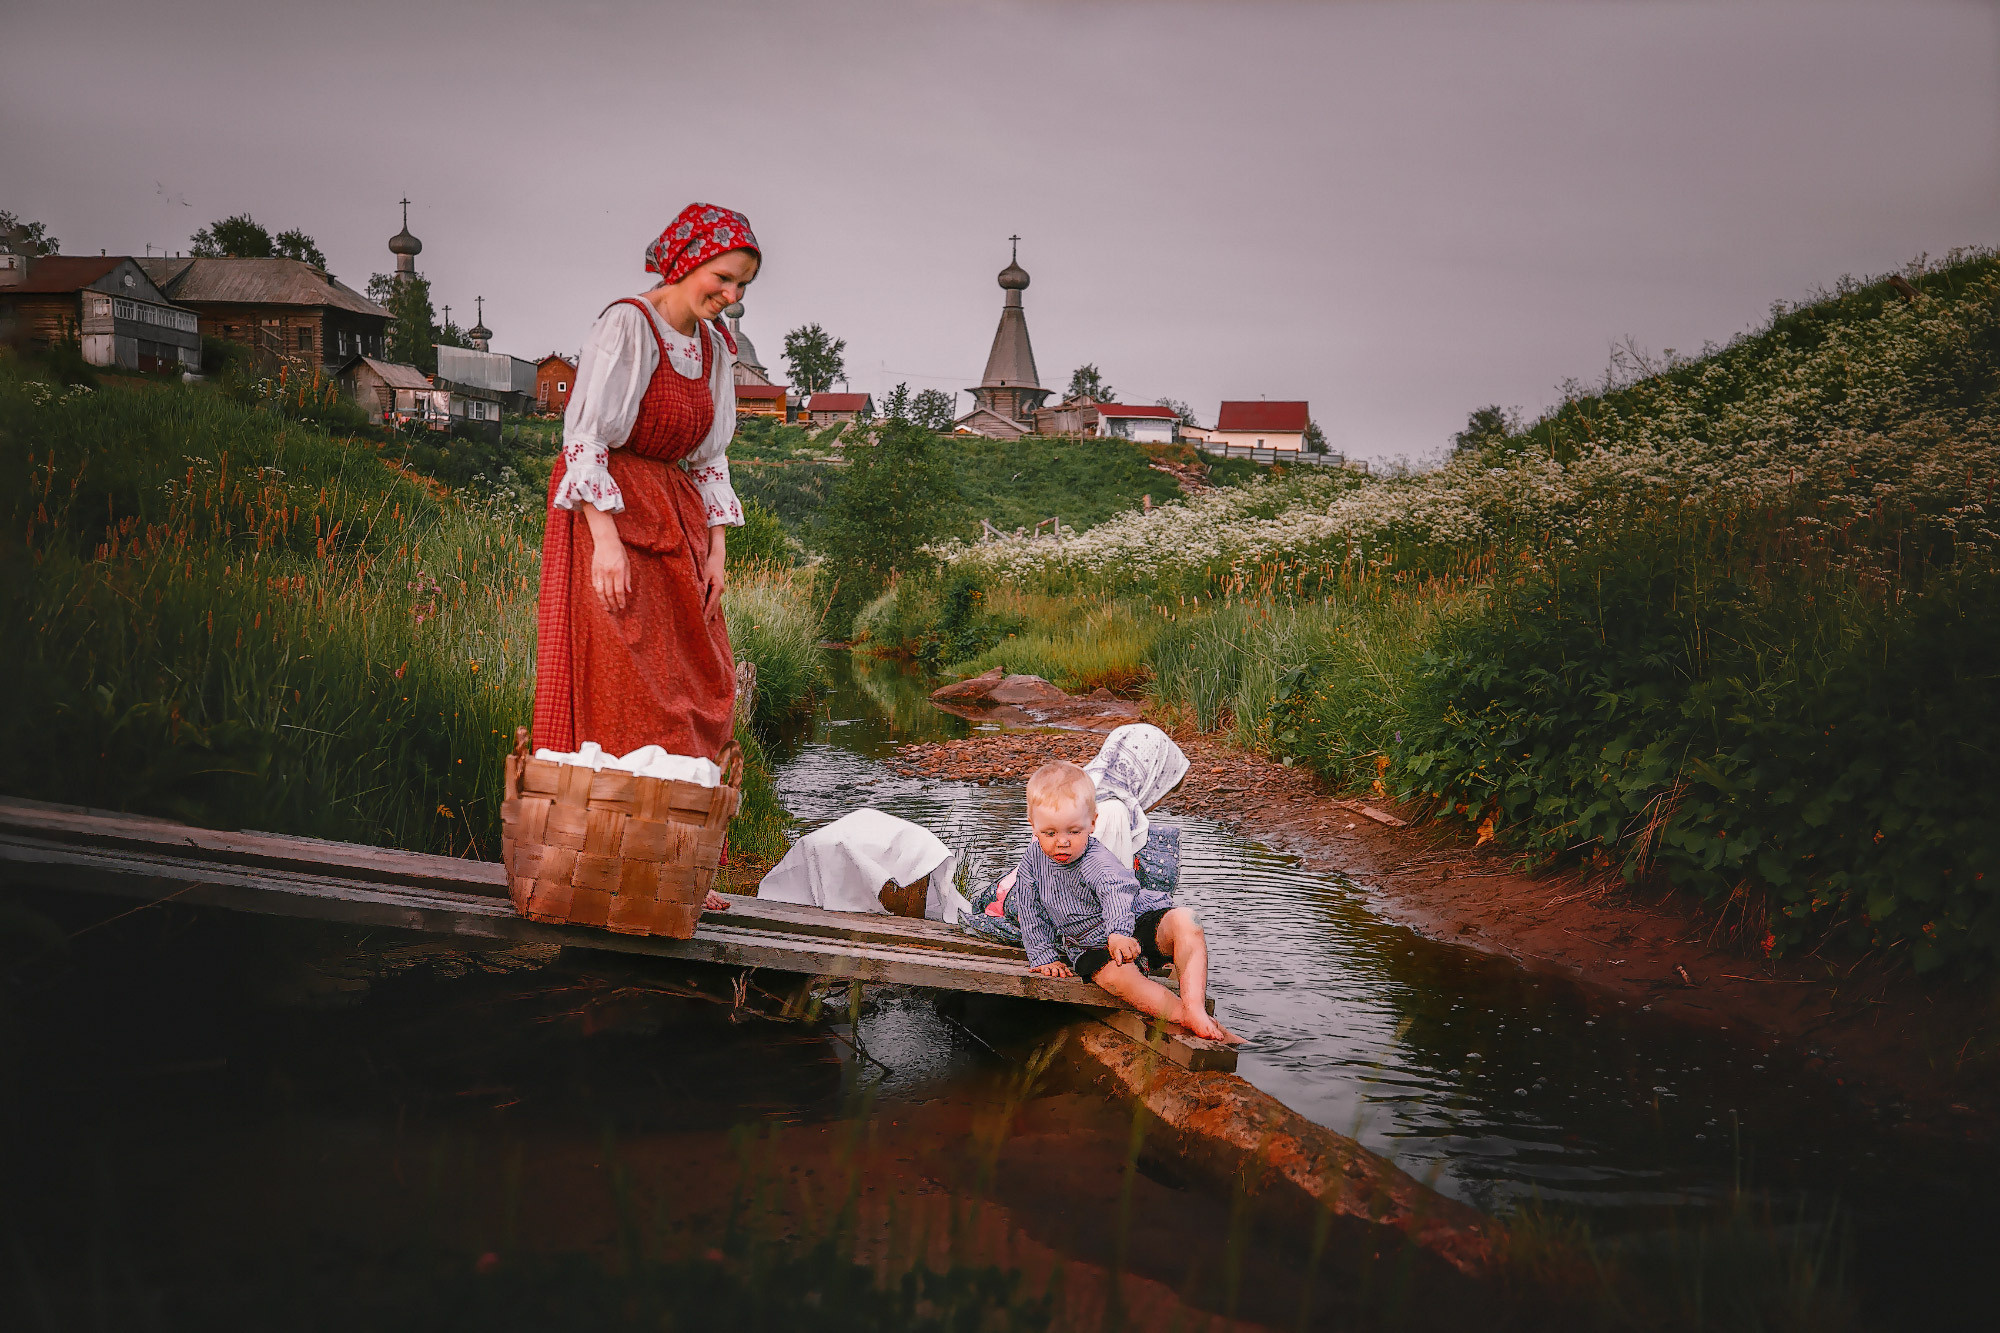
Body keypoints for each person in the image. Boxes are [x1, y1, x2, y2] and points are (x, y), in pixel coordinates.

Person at [532, 203, 760, 913]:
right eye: (723, 280)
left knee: (704, 685)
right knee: (624, 691)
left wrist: (717, 546)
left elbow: (710, 455)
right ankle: (610, 863)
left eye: (742, 287)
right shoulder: (628, 323)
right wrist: (602, 537)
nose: (731, 298)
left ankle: (683, 865)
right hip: (615, 515)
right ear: (688, 260)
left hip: (681, 520)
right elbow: (586, 437)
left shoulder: (718, 347)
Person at [1013, 760, 1235, 1043]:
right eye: (1050, 833)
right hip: (1091, 944)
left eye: (1074, 831)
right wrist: (1044, 956)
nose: (1063, 842)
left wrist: (1118, 932)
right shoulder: (1032, 861)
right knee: (1118, 980)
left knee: (1186, 919)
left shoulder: (1096, 861)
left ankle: (1194, 1005)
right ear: (1033, 827)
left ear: (1092, 822)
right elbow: (1030, 909)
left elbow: (1116, 891)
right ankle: (1184, 1015)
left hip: (1132, 924)